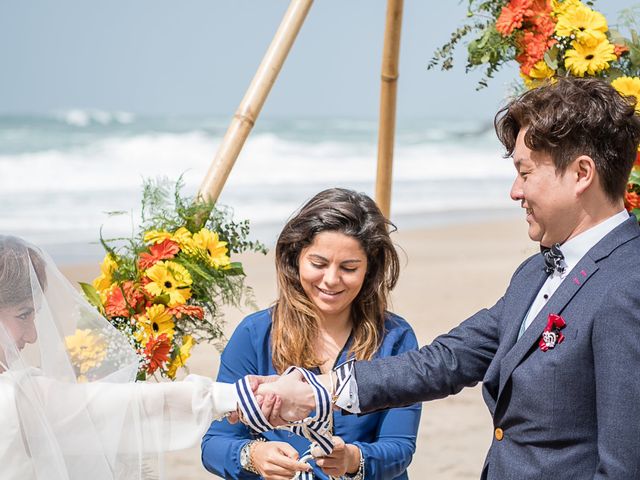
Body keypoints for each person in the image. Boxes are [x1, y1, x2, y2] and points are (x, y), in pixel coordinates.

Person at [258, 78, 640, 479]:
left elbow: (624, 466)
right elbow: (447, 360)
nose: (515, 191)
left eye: (524, 173)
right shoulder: (534, 272)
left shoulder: (627, 286)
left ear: (581, 174)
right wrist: (321, 392)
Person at [201, 188, 422, 480]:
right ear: (295, 259)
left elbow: (400, 446)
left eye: (349, 267)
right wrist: (253, 455)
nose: (331, 280)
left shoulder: (395, 337)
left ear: (369, 270)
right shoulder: (255, 334)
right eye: (318, 264)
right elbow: (215, 443)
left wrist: (353, 458)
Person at [0, 235, 261, 480]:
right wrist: (235, 396)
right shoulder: (14, 399)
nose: (33, 335)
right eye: (24, 314)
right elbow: (140, 407)